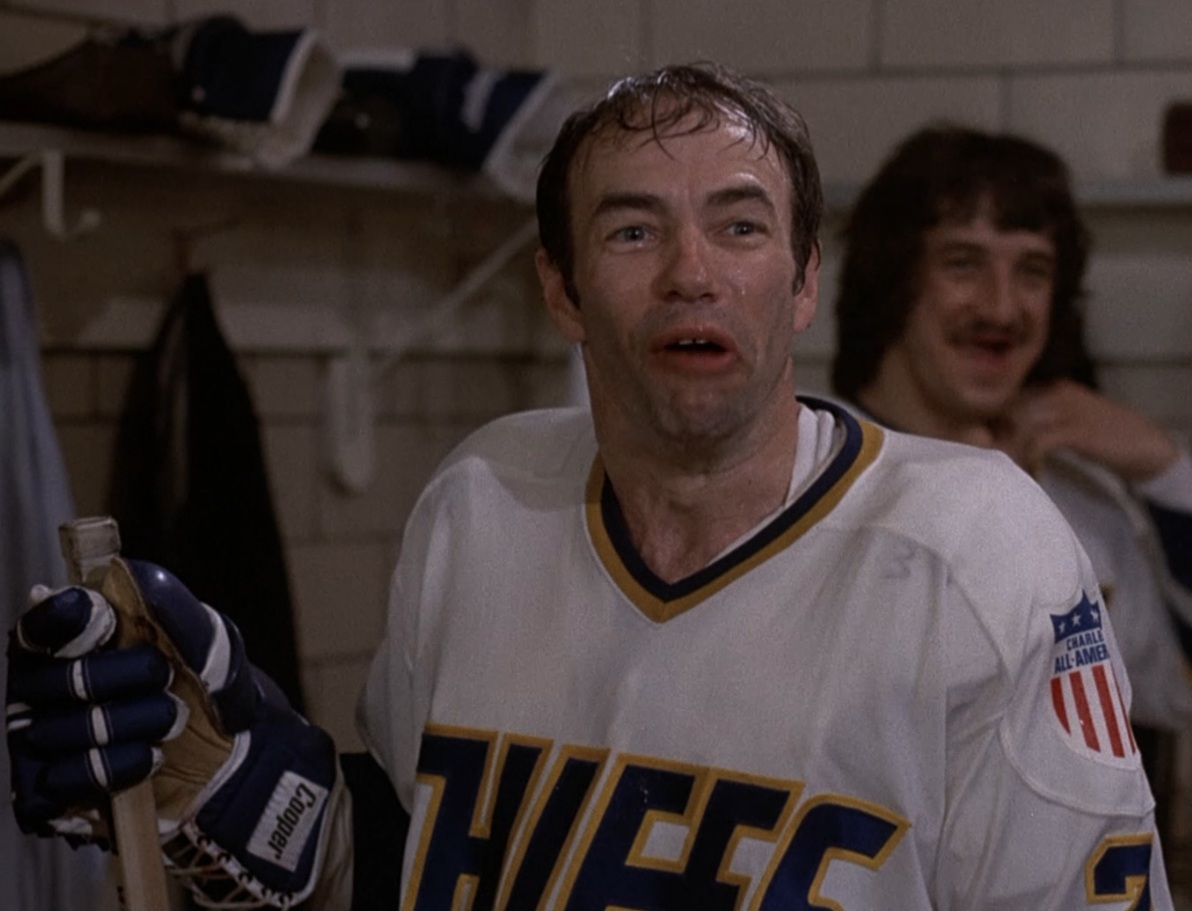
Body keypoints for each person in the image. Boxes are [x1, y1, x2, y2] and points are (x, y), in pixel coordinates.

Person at [6, 64, 1177, 910]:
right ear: (560, 290)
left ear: (804, 281)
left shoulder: (976, 543)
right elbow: (427, 854)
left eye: (739, 226)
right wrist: (252, 802)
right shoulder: (479, 499)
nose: (691, 273)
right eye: (631, 232)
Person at [830, 125, 1192, 793]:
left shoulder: (1083, 498)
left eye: (1032, 271)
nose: (1001, 307)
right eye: (963, 263)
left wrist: (1164, 467)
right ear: (893, 282)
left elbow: (1170, 691)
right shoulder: (806, 469)